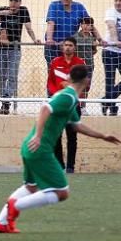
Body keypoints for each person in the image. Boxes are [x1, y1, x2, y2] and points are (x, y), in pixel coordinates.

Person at [0, 64, 121, 234]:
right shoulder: (68, 97)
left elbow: (76, 126)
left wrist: (102, 136)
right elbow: (46, 108)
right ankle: (16, 206)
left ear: (69, 78)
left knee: (31, 187)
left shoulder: (70, 98)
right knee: (62, 192)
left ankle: (1, 223)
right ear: (87, 81)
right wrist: (38, 136)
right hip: (39, 148)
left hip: (29, 147)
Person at [0, 0, 41, 114]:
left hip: (15, 48)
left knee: (12, 76)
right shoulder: (2, 10)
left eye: (16, 1)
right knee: (1, 76)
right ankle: (4, 101)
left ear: (20, 2)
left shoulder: (23, 11)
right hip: (0, 48)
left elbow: (28, 27)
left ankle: (6, 100)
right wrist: (4, 13)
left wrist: (34, 39)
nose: (14, 3)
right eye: (12, 0)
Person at [48, 37, 86, 174]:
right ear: (62, 47)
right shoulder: (55, 62)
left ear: (75, 47)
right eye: (65, 45)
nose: (68, 47)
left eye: (70, 45)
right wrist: (56, 95)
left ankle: (70, 167)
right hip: (58, 105)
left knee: (72, 137)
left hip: (73, 105)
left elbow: (84, 84)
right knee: (56, 137)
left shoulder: (80, 63)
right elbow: (50, 83)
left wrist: (74, 95)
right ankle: (60, 166)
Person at [45, 0, 89, 64]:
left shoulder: (79, 7)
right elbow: (51, 23)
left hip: (70, 47)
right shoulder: (54, 5)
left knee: (71, 72)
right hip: (54, 46)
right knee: (54, 72)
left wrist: (99, 39)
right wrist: (49, 39)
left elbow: (88, 23)